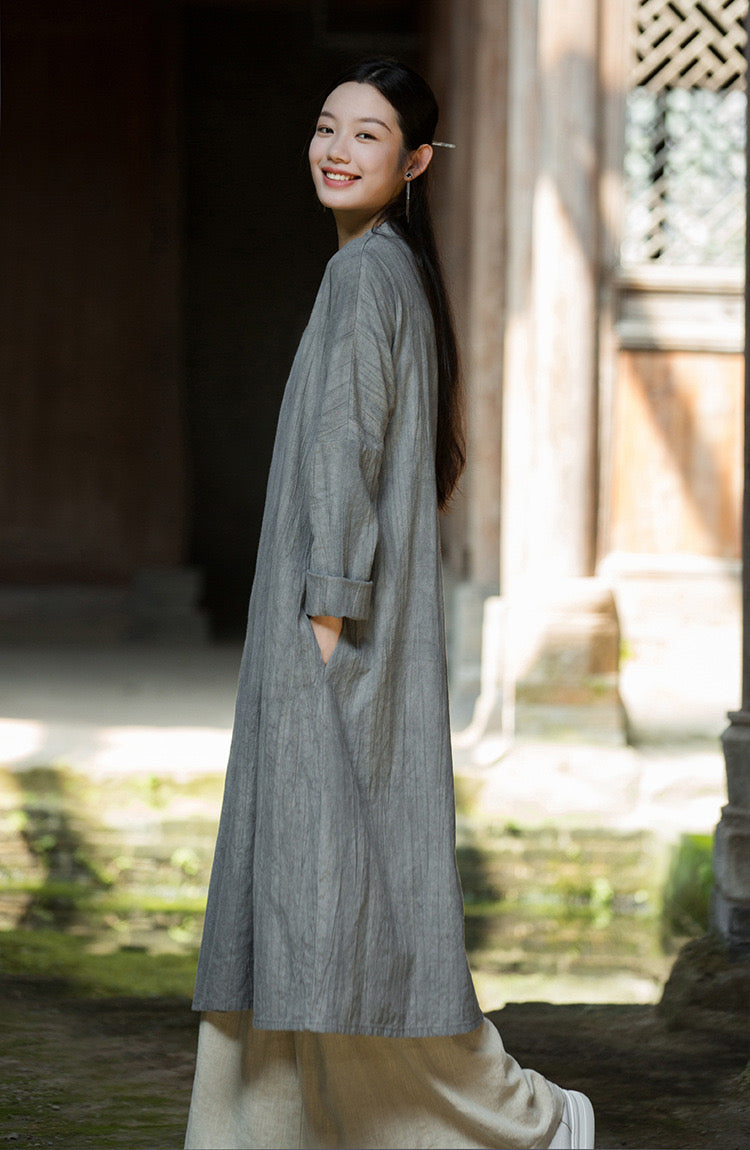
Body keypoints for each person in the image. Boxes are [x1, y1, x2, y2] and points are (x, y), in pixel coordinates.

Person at [184, 58, 595, 1150]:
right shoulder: (387, 268)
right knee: (315, 900)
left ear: (414, 161)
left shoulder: (367, 275)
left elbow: (347, 451)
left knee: (340, 902)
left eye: (367, 135)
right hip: (336, 631)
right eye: (327, 127)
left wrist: (325, 619)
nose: (336, 149)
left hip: (332, 635)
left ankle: (534, 1121)